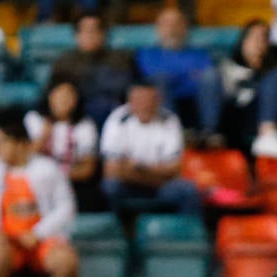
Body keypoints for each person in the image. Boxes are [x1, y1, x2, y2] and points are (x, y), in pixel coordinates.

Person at [0, 119, 78, 277]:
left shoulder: (48, 169)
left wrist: (39, 233)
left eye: (1, 142)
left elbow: (66, 207)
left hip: (41, 239)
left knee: (66, 261)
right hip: (7, 241)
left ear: (19, 143)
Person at [99, 83, 203, 218]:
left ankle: (186, 237)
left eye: (149, 100)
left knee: (187, 190)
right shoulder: (117, 119)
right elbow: (111, 171)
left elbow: (175, 170)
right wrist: (156, 172)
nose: (144, 105)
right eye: (139, 100)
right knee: (110, 186)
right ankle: (115, 234)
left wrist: (137, 168)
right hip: (131, 186)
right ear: (130, 102)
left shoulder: (169, 119)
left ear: (158, 101)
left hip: (160, 188)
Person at [222, 20, 277, 158]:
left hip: (276, 119)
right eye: (254, 38)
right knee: (274, 78)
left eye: (264, 39)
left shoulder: (273, 72)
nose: (259, 44)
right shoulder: (229, 67)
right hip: (242, 117)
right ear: (243, 42)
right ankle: (267, 132)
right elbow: (231, 97)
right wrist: (252, 76)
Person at [134, 8, 221, 137]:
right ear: (158, 28)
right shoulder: (147, 54)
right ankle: (171, 132)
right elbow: (153, 79)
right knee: (160, 80)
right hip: (163, 102)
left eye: (177, 24)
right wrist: (189, 76)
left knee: (211, 76)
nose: (172, 29)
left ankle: (209, 133)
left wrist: (176, 78)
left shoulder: (200, 54)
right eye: (167, 24)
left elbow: (206, 79)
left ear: (186, 27)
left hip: (196, 101)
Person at [48, 13, 139, 127]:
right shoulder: (64, 62)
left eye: (94, 30)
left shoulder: (121, 58)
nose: (90, 35)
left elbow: (132, 89)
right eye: (85, 30)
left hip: (116, 116)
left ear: (104, 34)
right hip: (76, 119)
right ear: (76, 35)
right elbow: (53, 94)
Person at [25, 80, 103, 212]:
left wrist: (57, 176)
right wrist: (44, 135)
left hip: (71, 181)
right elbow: (25, 158)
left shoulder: (85, 125)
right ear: (50, 96)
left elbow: (87, 169)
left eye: (69, 96)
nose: (64, 100)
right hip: (36, 180)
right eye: (60, 95)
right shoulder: (34, 119)